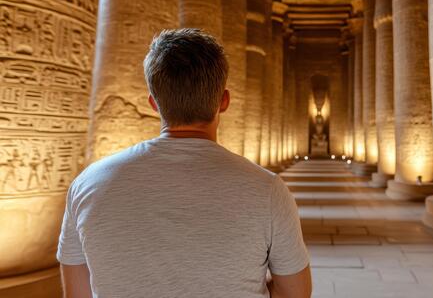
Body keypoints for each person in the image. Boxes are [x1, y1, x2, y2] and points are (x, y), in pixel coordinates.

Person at [57, 29, 311, 298]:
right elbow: (295, 292)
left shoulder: (87, 184)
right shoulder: (267, 189)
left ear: (154, 103)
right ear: (224, 101)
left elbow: (76, 293)